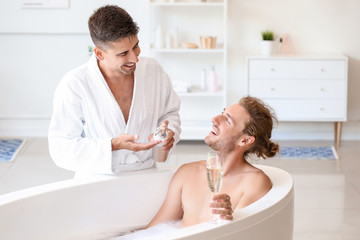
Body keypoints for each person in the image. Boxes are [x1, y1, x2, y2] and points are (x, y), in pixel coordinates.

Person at [48, 5, 181, 176]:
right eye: (123, 53)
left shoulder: (153, 71)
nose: (134, 58)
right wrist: (111, 145)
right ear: (99, 53)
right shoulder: (75, 84)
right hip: (98, 178)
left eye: (136, 46)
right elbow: (61, 148)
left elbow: (170, 114)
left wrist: (170, 133)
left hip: (146, 175)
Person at [147, 96, 279, 228]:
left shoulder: (253, 183)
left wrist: (228, 222)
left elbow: (242, 233)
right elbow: (154, 229)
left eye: (227, 120)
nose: (214, 119)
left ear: (245, 140)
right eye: (222, 113)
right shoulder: (187, 172)